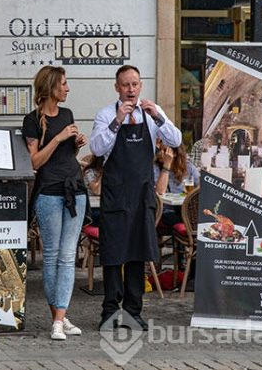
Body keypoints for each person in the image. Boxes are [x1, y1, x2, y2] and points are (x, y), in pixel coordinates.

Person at [89, 65, 181, 331]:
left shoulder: (153, 112)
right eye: (125, 85)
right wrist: (117, 121)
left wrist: (160, 119)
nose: (131, 90)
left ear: (141, 86)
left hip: (142, 193)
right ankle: (109, 311)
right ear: (117, 87)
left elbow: (174, 141)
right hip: (115, 193)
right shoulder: (106, 114)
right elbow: (97, 147)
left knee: (138, 253)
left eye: (135, 84)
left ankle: (133, 310)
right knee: (113, 253)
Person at [22, 66, 88, 341]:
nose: (67, 88)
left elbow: (66, 154)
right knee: (52, 256)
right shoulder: (32, 120)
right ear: (50, 87)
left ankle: (59, 319)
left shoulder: (68, 114)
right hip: (48, 190)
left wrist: (76, 144)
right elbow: (34, 162)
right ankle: (58, 320)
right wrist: (59, 138)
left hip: (75, 187)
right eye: (63, 83)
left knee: (68, 255)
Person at [154, 143, 200, 227]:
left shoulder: (189, 167)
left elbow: (200, 186)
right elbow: (160, 191)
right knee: (175, 219)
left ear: (174, 153)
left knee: (195, 220)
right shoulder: (156, 167)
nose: (160, 153)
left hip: (185, 209)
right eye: (159, 150)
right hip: (165, 210)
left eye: (164, 151)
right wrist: (167, 165)